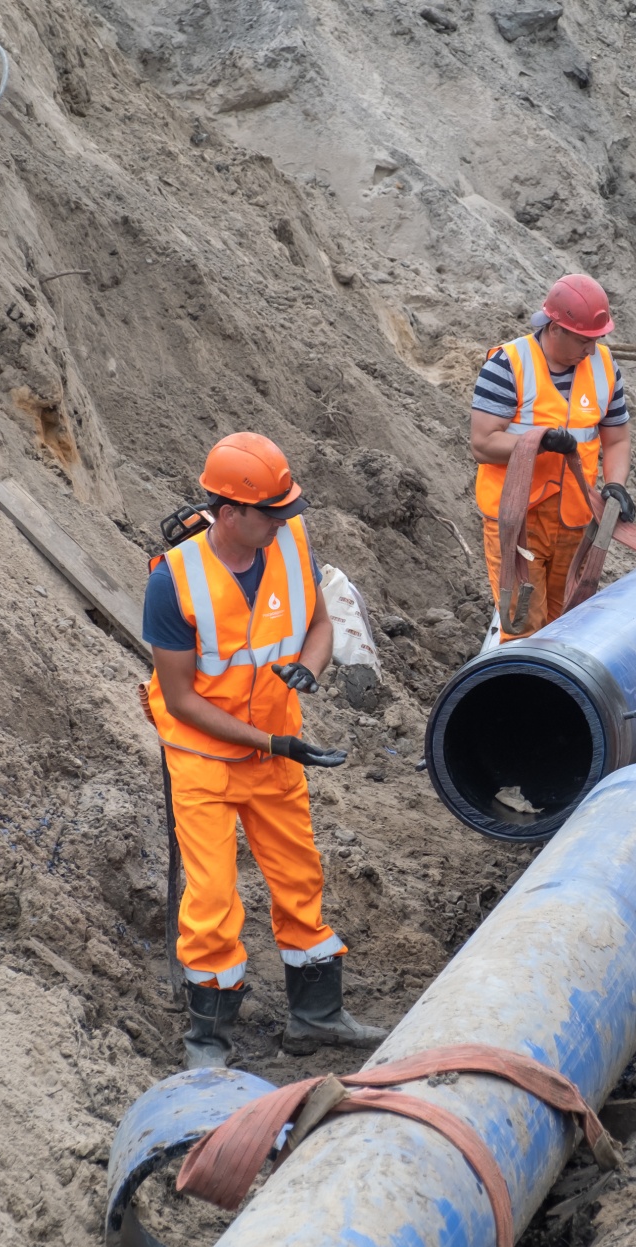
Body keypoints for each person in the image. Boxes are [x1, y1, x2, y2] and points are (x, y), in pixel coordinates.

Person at [142, 432, 385, 1066]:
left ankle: (316, 1016)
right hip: (205, 761)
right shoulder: (175, 582)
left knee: (300, 878)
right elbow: (182, 699)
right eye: (272, 512)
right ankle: (208, 1041)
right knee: (214, 899)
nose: (285, 522)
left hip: (276, 751)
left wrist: (309, 666)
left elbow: (320, 623)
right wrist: (270, 740)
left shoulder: (288, 546)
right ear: (230, 514)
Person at [469, 274, 636, 642]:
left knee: (568, 626)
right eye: (583, 340)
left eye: (597, 340)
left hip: (574, 520)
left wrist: (616, 485)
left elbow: (616, 439)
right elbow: (482, 443)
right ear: (555, 327)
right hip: (517, 522)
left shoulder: (604, 366)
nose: (590, 350)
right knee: (524, 628)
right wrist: (538, 442)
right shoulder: (508, 364)